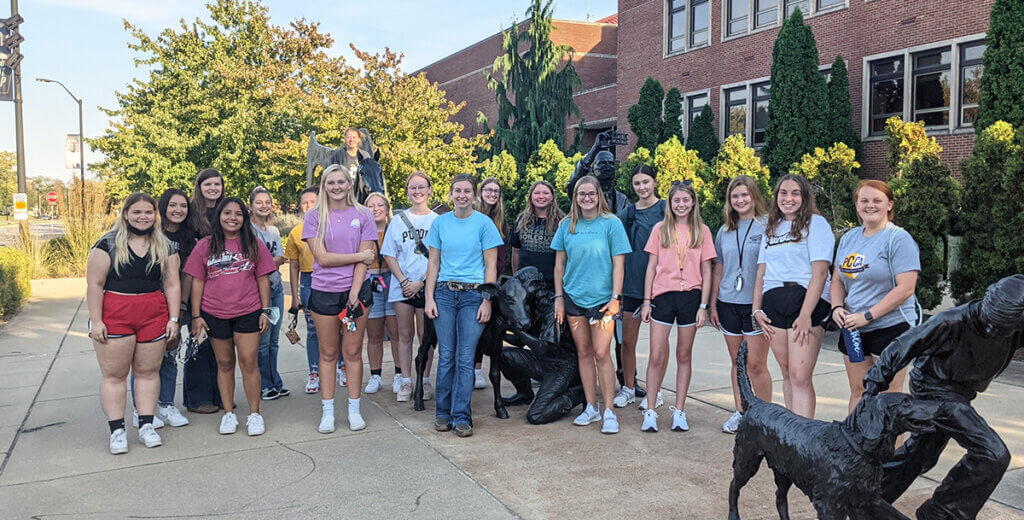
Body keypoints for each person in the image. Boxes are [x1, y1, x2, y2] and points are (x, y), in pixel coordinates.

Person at [864, 275, 1024, 520]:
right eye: (988, 322)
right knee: (993, 453)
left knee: (921, 454)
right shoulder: (951, 321)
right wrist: (874, 383)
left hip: (961, 393)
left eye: (1001, 328)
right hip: (933, 389)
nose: (992, 330)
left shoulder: (1015, 325)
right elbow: (903, 344)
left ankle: (866, 498)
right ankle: (941, 513)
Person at [87, 193, 181, 454]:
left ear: (155, 215)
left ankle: (147, 425)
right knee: (115, 375)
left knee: (148, 373)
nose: (143, 217)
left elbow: (173, 283)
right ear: (126, 214)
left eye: (148, 212)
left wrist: (173, 318)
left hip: (153, 314)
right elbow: (94, 285)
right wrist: (96, 321)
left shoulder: (165, 245)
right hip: (115, 313)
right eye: (137, 212)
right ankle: (117, 430)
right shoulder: (106, 244)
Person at [185, 197, 275, 436]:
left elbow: (263, 278)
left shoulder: (254, 244)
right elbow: (197, 281)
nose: (232, 218)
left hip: (248, 311)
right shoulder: (205, 245)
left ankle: (255, 414)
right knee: (224, 364)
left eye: (238, 214)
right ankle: (228, 413)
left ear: (244, 219)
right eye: (227, 213)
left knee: (249, 361)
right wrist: (196, 316)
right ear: (219, 217)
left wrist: (265, 310)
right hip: (214, 313)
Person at [424, 174, 503, 438]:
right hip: (445, 294)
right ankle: (442, 413)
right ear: (450, 193)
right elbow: (433, 263)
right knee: (446, 355)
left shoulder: (485, 224)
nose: (462, 195)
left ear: (475, 194)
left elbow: (491, 265)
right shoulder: (440, 224)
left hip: (473, 296)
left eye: (467, 191)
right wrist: (429, 297)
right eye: (457, 190)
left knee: (465, 357)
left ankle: (461, 415)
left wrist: (487, 300)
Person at [831, 180, 919, 412]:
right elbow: (837, 279)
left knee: (887, 399)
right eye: (864, 200)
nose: (870, 205)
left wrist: (867, 316)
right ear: (857, 205)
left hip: (890, 328)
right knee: (859, 392)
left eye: (877, 200)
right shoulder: (849, 238)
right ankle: (855, 447)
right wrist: (837, 308)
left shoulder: (898, 239)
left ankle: (893, 450)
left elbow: (906, 288)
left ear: (889, 205)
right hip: (854, 330)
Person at [552, 175, 631, 434]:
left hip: (603, 301)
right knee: (583, 353)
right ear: (575, 197)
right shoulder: (566, 225)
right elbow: (559, 265)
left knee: (601, 353)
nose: (587, 198)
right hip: (574, 298)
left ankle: (609, 410)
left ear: (599, 196)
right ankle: (591, 407)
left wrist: (615, 299)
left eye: (591, 194)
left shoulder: (612, 224)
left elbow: (619, 264)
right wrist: (560, 298)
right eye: (581, 194)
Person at [752, 174, 833, 419]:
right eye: (783, 193)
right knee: (787, 373)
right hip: (775, 303)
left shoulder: (816, 224)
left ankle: (804, 439)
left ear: (805, 196)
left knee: (800, 376)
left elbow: (820, 273)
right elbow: (761, 273)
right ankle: (791, 435)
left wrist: (806, 314)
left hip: (804, 301)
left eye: (795, 193)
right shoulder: (771, 227)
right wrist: (756, 310)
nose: (788, 198)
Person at [303, 164, 377, 433]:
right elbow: (322, 258)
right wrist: (358, 256)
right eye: (330, 182)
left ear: (349, 184)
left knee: (352, 352)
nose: (335, 187)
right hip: (324, 292)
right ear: (324, 186)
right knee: (328, 353)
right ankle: (328, 412)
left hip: (356, 294)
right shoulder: (314, 217)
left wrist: (355, 294)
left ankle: (354, 409)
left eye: (340, 182)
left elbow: (366, 260)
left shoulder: (364, 214)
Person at [638, 181, 715, 432]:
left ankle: (679, 411)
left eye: (685, 200)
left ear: (693, 202)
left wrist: (704, 304)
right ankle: (650, 410)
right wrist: (647, 301)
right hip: (663, 296)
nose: (681, 204)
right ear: (669, 204)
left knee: (684, 354)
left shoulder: (702, 230)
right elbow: (651, 267)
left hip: (691, 298)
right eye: (676, 200)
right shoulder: (660, 229)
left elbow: (707, 269)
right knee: (657, 355)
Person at [709, 176, 772, 434]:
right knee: (737, 361)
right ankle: (741, 411)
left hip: (756, 304)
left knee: (756, 364)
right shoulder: (724, 230)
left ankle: (767, 416)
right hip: (728, 302)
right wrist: (712, 304)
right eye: (735, 196)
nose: (740, 200)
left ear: (754, 196)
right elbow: (718, 268)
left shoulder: (768, 226)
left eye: (745, 195)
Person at [127, 189, 194, 430]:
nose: (178, 210)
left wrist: (181, 309)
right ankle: (141, 410)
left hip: (177, 303)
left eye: (183, 206)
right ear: (162, 208)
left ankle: (166, 404)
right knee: (145, 361)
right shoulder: (151, 235)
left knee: (169, 356)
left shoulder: (190, 237)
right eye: (173, 205)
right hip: (150, 304)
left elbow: (186, 276)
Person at [381, 172, 437, 402]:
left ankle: (424, 379)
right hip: (401, 287)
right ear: (407, 191)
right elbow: (389, 254)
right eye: (412, 188)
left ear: (430, 190)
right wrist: (404, 281)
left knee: (426, 335)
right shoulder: (397, 220)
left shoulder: (437, 220)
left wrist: (421, 282)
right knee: (404, 335)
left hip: (428, 286)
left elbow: (439, 255)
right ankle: (405, 379)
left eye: (421, 187)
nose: (417, 191)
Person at [614, 165, 665, 409]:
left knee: (659, 345)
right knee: (627, 342)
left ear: (655, 182)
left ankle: (657, 389)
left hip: (662, 288)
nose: (642, 187)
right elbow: (617, 251)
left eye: (646, 182)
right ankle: (628, 387)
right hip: (632, 286)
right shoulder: (628, 214)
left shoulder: (666, 210)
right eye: (637, 183)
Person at [183, 168, 225, 413]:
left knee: (219, 344)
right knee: (199, 342)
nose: (213, 189)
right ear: (199, 187)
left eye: (217, 185)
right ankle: (198, 399)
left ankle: (219, 394)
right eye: (208, 184)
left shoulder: (225, 211)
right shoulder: (191, 214)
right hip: (196, 284)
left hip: (222, 286)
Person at [250, 187, 288, 400]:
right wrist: (268, 263)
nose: (264, 206)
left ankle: (276, 381)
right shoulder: (247, 231)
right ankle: (264, 384)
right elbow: (251, 262)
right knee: (262, 341)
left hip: (276, 289)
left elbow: (281, 258)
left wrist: (265, 263)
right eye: (259, 202)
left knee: (274, 340)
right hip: (257, 293)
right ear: (251, 206)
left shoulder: (273, 231)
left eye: (267, 202)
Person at [473, 177, 508, 389]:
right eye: (489, 190)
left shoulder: (500, 221)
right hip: (471, 279)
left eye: (496, 191)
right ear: (481, 191)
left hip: (491, 280)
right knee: (473, 326)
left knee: (488, 328)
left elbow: (501, 256)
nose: (492, 194)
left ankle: (479, 369)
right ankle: (473, 367)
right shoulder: (472, 216)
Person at [364, 192, 399, 394]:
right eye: (371, 205)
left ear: (387, 209)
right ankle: (375, 375)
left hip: (392, 279)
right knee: (374, 333)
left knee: (396, 332)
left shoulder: (394, 229)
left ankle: (399, 374)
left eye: (380, 205)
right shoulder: (362, 231)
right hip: (371, 281)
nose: (376, 209)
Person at [509, 180, 564, 282]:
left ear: (552, 197)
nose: (541, 196)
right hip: (525, 284)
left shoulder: (562, 223)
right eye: (537, 193)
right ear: (531, 197)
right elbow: (515, 252)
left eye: (546, 193)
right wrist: (515, 279)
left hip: (552, 285)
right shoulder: (521, 221)